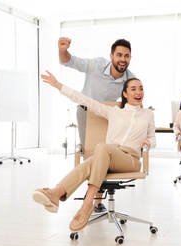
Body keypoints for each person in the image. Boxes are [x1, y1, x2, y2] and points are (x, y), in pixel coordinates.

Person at [33, 71, 156, 232]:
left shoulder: (148, 114)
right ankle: (56, 194)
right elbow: (84, 100)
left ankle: (86, 203)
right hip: (106, 157)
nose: (138, 92)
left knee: (101, 148)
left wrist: (149, 142)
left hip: (130, 160)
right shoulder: (113, 112)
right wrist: (58, 85)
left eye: (141, 88)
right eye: (133, 89)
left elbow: (153, 138)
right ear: (125, 93)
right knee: (96, 156)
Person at [59, 37, 135, 213]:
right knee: (91, 154)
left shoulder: (130, 79)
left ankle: (97, 202)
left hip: (107, 116)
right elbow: (70, 61)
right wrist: (63, 50)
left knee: (106, 155)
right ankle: (91, 198)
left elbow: (133, 102)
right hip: (87, 112)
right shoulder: (96, 65)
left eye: (127, 56)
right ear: (111, 55)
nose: (123, 59)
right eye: (119, 55)